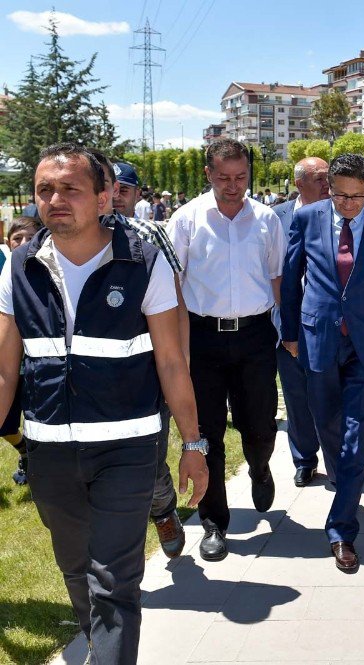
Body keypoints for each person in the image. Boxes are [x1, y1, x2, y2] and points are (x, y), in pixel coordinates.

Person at [0, 143, 208, 664]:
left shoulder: (142, 263)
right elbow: (5, 369)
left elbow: (172, 364)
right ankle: (100, 642)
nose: (55, 199)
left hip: (127, 450)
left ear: (104, 196)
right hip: (48, 453)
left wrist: (193, 443)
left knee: (115, 581)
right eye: (45, 189)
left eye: (70, 188)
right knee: (75, 568)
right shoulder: (18, 268)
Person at [281, 154, 364, 573]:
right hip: (319, 337)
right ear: (327, 187)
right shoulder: (308, 219)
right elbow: (292, 276)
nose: (349, 204)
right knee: (326, 422)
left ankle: (341, 529)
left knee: (356, 432)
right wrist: (291, 335)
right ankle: (344, 479)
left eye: (358, 196)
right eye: (340, 195)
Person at [168, 139, 287, 562]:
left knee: (260, 423)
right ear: (208, 174)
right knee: (207, 432)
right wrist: (177, 345)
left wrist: (284, 329)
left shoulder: (267, 219)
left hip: (254, 336)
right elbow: (173, 286)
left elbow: (276, 277)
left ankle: (259, 466)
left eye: (241, 178)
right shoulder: (186, 221)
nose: (233, 186)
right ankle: (214, 522)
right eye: (224, 178)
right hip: (203, 339)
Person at [97, 155, 191, 559]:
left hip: (147, 370)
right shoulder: (67, 238)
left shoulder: (149, 234)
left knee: (148, 458)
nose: (116, 197)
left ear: (137, 195)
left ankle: (163, 508)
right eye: (109, 188)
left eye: (125, 190)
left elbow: (175, 298)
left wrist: (181, 359)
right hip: (93, 372)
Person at [271, 157, 329, 488]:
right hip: (285, 323)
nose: (326, 184)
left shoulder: (338, 216)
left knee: (328, 396)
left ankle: (335, 455)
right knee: (295, 397)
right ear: (298, 184)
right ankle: (305, 459)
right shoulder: (273, 218)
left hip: (327, 323)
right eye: (319, 178)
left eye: (328, 178)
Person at [1, 216, 43, 486]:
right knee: (5, 424)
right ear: (8, 242)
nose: (24, 244)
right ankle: (25, 451)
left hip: (35, 364)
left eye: (30, 238)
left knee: (36, 420)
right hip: (8, 364)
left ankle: (36, 465)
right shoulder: (7, 273)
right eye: (18, 239)